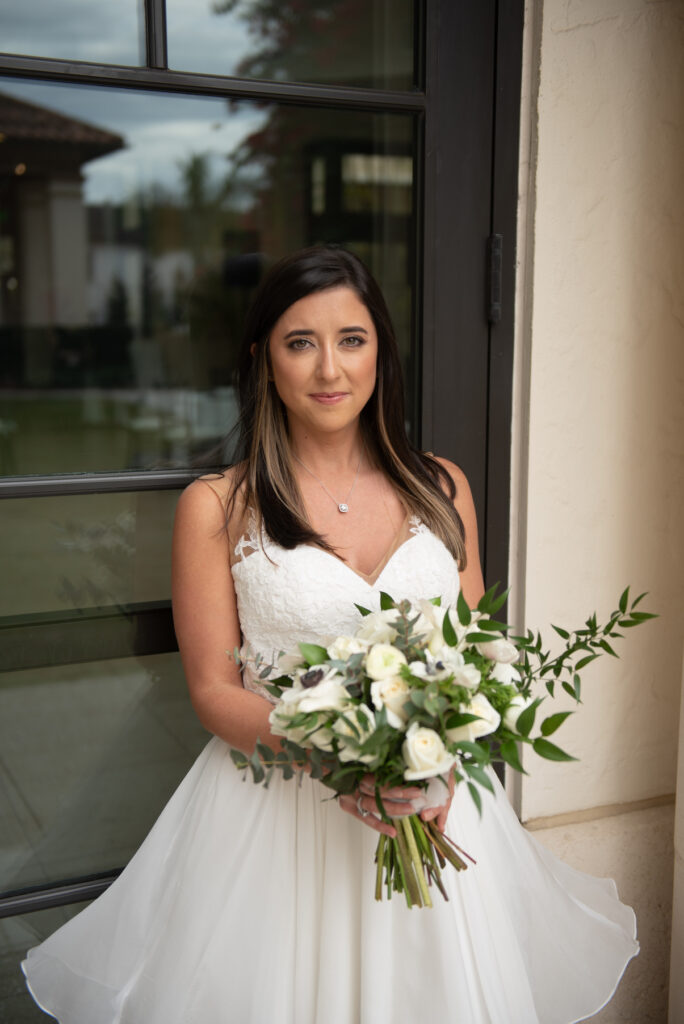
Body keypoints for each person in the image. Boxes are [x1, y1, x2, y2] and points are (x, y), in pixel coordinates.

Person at [22, 245, 637, 1023]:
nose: (329, 369)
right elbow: (213, 691)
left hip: (430, 803)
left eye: (351, 339)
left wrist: (439, 762)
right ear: (262, 361)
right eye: (299, 342)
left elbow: (478, 654)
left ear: (380, 348)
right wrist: (341, 758)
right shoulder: (217, 506)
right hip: (276, 812)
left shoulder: (443, 487)